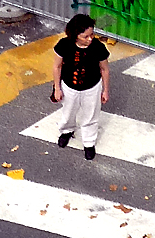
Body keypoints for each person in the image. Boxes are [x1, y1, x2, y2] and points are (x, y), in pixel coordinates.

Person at [53, 14, 110, 160]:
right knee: (68, 111)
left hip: (92, 88)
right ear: (75, 35)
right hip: (69, 87)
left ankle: (89, 142)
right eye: (86, 36)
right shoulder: (64, 45)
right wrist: (57, 88)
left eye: (92, 35)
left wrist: (105, 90)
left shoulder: (98, 47)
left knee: (91, 115)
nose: (90, 39)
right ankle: (66, 131)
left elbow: (104, 69)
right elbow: (57, 67)